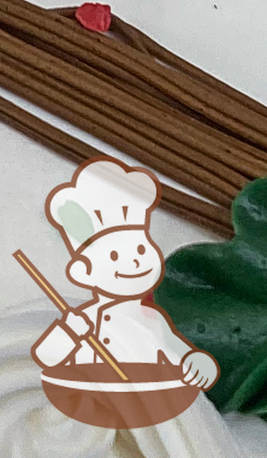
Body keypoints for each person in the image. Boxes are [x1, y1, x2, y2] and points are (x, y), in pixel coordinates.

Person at [29, 157, 218, 389]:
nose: (136, 261)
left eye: (140, 248)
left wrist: (197, 362)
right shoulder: (85, 318)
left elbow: (179, 351)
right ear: (84, 272)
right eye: (115, 257)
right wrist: (70, 331)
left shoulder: (153, 317)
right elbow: (43, 354)